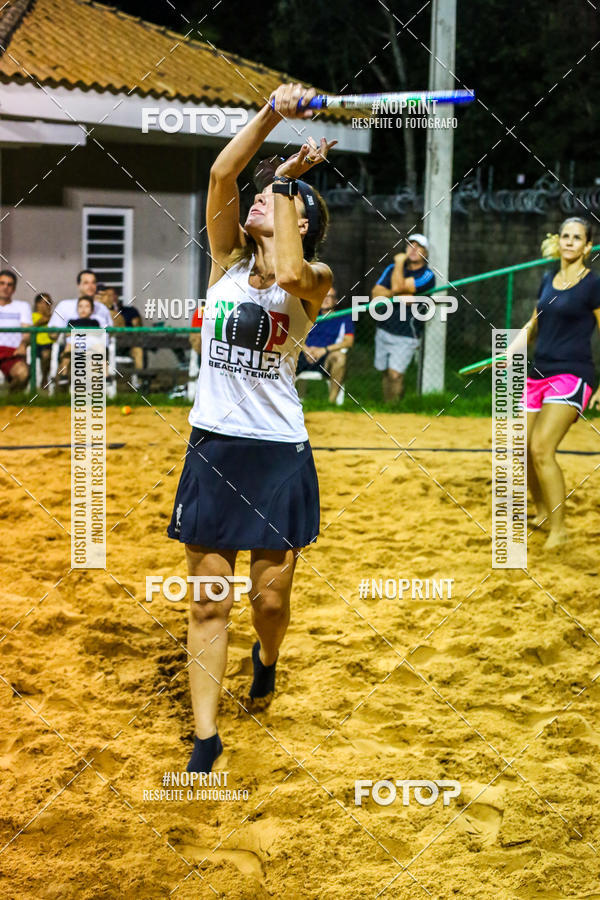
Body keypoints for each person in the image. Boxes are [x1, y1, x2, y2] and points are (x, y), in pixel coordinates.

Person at [167, 81, 335, 774]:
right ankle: (207, 738)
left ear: (300, 217)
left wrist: (291, 181)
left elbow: (291, 266)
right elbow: (222, 173)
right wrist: (271, 112)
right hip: (214, 447)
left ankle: (267, 660)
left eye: (276, 200)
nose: (260, 198)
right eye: (264, 196)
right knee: (209, 601)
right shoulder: (227, 263)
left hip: (278, 456)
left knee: (270, 600)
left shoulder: (314, 278)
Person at [511, 217, 600, 549]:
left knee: (541, 448)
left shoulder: (593, 285)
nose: (569, 242)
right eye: (565, 236)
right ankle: (542, 511)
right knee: (520, 449)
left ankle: (560, 531)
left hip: (572, 374)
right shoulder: (548, 279)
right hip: (539, 373)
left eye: (577, 238)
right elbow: (534, 321)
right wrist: (517, 341)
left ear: (587, 247)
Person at [371, 234, 436, 403]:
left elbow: (399, 286)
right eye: (410, 245)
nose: (413, 249)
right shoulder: (391, 269)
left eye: (418, 246)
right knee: (385, 372)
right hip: (384, 327)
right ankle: (389, 408)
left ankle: (395, 408)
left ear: (426, 253)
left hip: (407, 333)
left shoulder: (427, 275)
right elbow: (376, 294)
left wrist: (399, 263)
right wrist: (396, 292)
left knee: (396, 374)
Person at [296, 284, 354, 402]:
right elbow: (295, 337)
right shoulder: (308, 315)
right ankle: (285, 401)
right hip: (304, 355)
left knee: (340, 358)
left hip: (326, 358)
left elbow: (348, 342)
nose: (325, 299)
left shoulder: (344, 317)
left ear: (336, 300)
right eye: (322, 296)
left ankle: (331, 402)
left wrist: (324, 350)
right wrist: (306, 350)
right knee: (283, 355)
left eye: (330, 296)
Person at [0, 270, 31, 390]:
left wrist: (23, 344)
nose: (5, 287)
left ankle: (10, 404)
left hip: (13, 352)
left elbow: (27, 331)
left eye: (9, 284)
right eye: (2, 283)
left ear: (14, 289)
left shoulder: (22, 306)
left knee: (23, 373)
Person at [31, 293, 55, 386]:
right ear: (37, 304)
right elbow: (31, 328)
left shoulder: (55, 317)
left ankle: (48, 379)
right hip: (36, 344)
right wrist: (45, 318)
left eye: (48, 302)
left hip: (53, 344)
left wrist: (49, 317)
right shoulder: (32, 316)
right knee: (45, 354)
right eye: (43, 302)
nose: (46, 305)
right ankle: (44, 379)